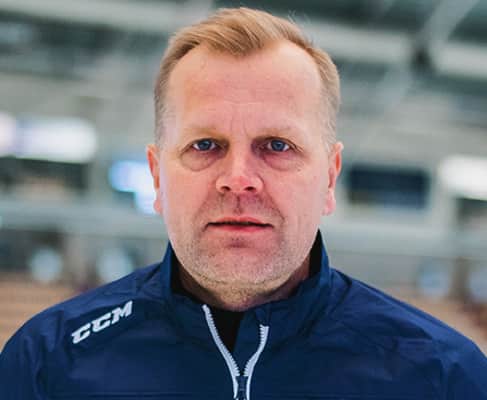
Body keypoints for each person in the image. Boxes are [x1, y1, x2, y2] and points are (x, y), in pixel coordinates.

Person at [1, 7, 486, 399]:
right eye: (205, 145)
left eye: (277, 145)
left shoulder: (445, 376)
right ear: (157, 176)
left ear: (329, 177)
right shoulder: (46, 363)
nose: (238, 180)